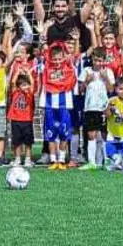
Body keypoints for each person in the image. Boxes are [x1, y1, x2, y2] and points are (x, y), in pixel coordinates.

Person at [40, 39, 78, 170]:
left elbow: (74, 56)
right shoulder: (46, 68)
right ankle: (52, 160)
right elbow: (44, 51)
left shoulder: (69, 69)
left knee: (64, 133)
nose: (57, 62)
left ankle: (61, 160)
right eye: (54, 59)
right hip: (50, 105)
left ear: (64, 58)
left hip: (64, 105)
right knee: (50, 134)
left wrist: (75, 41)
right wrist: (42, 35)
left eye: (59, 59)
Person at [79, 48, 112, 169]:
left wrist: (105, 78)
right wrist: (86, 81)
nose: (97, 63)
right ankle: (91, 162)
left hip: (103, 107)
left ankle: (106, 160)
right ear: (92, 59)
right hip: (90, 107)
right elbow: (80, 90)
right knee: (91, 134)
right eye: (95, 60)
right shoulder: (86, 71)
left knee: (103, 134)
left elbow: (111, 89)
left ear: (104, 61)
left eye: (100, 61)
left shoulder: (108, 71)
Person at [7, 63, 37, 168]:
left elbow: (32, 83)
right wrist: (17, 71)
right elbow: (13, 82)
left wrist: (28, 73)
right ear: (19, 87)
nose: (26, 87)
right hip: (16, 120)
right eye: (23, 85)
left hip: (27, 121)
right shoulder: (16, 93)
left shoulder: (30, 93)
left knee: (28, 142)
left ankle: (28, 159)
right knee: (17, 141)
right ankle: (17, 159)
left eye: (27, 84)